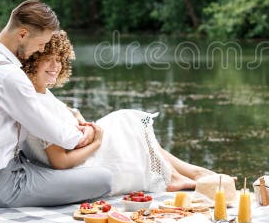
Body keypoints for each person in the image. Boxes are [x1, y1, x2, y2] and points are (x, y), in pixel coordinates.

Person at [0, 0, 113, 207]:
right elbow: (59, 135)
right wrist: (90, 133)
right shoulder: (9, 76)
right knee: (104, 179)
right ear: (22, 34)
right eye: (40, 44)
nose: (40, 50)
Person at [20, 30, 217, 194]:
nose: (56, 66)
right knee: (127, 122)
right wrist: (96, 142)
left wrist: (83, 124)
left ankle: (191, 174)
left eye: (59, 59)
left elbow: (69, 114)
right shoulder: (34, 104)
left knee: (130, 125)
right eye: (48, 59)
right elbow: (60, 162)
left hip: (82, 148)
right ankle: (179, 177)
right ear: (31, 61)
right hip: (82, 164)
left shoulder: (41, 93)